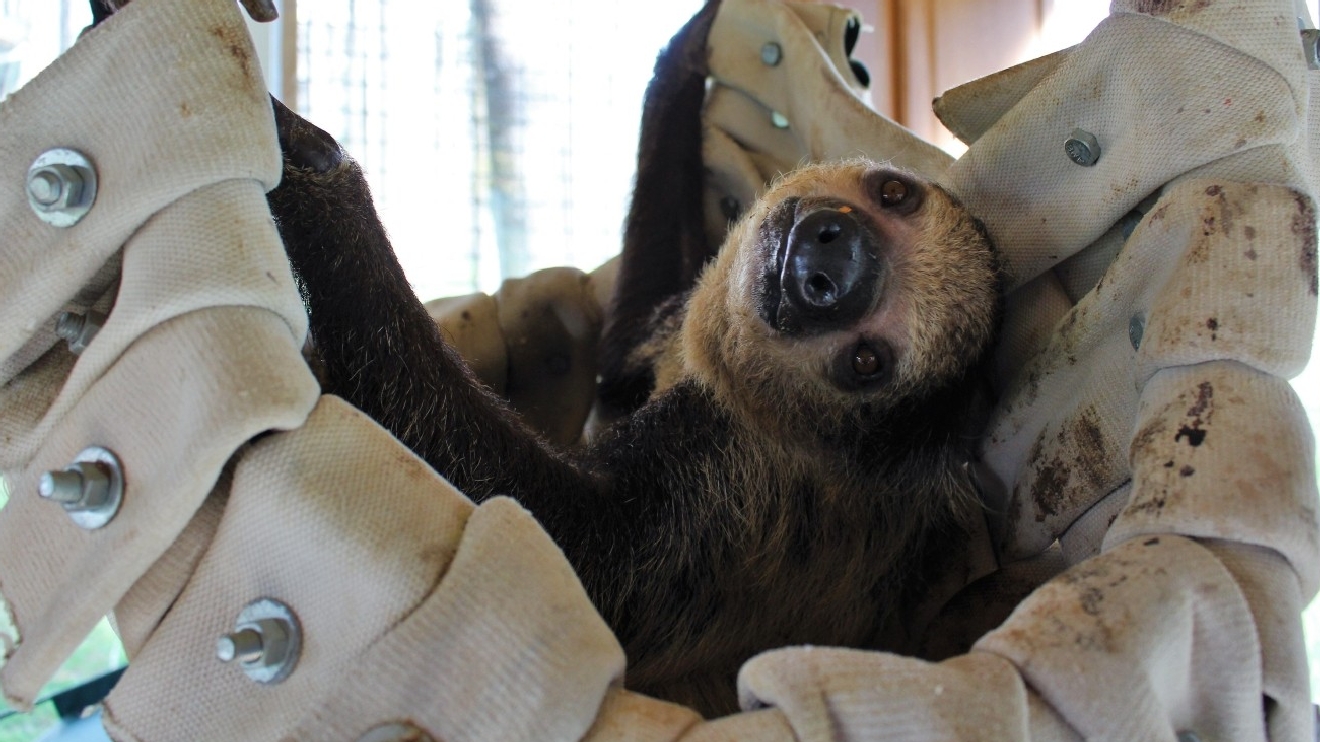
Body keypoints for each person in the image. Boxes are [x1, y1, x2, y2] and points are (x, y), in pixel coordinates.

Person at [0, 0, 1314, 739]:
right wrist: (687, 72)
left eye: (862, 350)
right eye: (889, 206)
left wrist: (314, 193)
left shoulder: (797, 475)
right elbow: (655, 304)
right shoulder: (723, 363)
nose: (834, 261)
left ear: (850, 421)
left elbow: (567, 546)